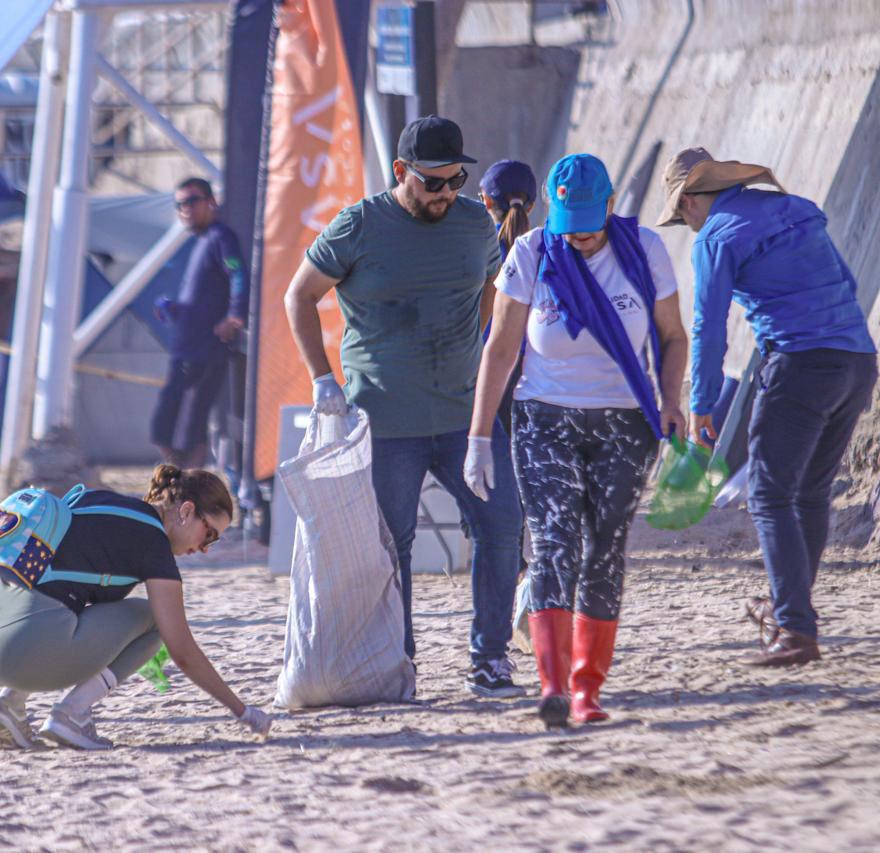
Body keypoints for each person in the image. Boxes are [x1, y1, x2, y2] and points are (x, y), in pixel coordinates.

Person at [284, 115, 525, 696]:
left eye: (455, 182)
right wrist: (322, 377)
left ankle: (489, 658)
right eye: (432, 183)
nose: (445, 194)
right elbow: (300, 296)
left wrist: (480, 344)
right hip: (385, 421)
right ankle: (400, 662)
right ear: (401, 172)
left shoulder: (474, 225)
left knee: (501, 527)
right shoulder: (359, 226)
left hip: (468, 419)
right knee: (393, 546)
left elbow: (497, 287)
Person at [464, 153, 688, 727]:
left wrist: (670, 401)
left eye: (590, 222)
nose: (581, 236)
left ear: (611, 205)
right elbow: (500, 350)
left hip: (624, 422)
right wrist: (479, 436)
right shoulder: (532, 252)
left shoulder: (645, 251)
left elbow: (672, 336)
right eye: (571, 223)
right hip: (545, 419)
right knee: (553, 543)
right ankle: (553, 685)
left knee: (604, 549)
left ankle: (588, 688)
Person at [657, 147, 878, 667]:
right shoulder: (795, 208)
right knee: (809, 492)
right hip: (857, 361)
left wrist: (702, 404)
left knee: (768, 492)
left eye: (681, 215)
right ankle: (790, 611)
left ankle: (794, 629)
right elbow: (847, 283)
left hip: (799, 365)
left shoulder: (714, 235)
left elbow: (709, 328)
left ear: (690, 200)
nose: (686, 224)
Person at [0, 464, 273, 750]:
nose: (204, 549)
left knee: (71, 601)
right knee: (155, 621)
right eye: (210, 535)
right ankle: (72, 714)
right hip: (18, 650)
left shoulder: (97, 500)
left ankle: (8, 704)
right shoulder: (152, 541)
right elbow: (183, 651)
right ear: (186, 511)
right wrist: (242, 711)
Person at [150, 177, 249, 468]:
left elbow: (238, 274)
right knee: (165, 426)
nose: (186, 209)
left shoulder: (221, 237)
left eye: (192, 201)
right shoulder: (201, 242)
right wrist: (175, 309)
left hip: (205, 351)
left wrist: (235, 315)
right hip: (186, 348)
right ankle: (180, 477)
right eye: (180, 204)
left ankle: (190, 483)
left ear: (211, 202)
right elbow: (204, 296)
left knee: (190, 425)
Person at [478, 159, 537, 432]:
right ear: (532, 204)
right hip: (540, 369)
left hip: (492, 369)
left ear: (486, 202)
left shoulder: (480, 253)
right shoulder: (545, 249)